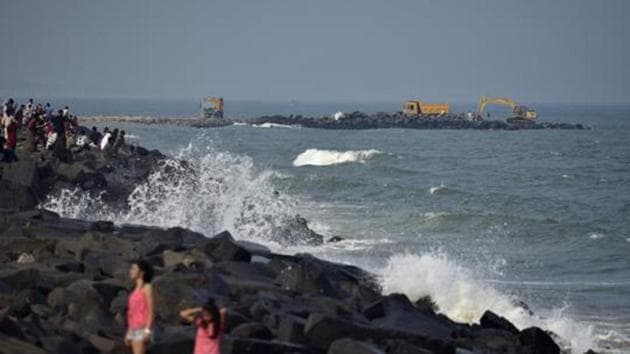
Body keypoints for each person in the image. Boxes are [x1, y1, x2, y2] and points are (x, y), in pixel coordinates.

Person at [125, 260, 155, 354]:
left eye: (133, 268)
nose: (130, 271)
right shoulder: (133, 290)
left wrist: (147, 330)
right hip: (133, 328)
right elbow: (131, 313)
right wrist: (129, 332)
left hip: (142, 328)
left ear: (142, 272)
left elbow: (151, 310)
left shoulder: (147, 287)